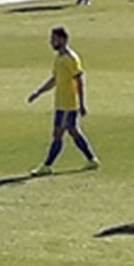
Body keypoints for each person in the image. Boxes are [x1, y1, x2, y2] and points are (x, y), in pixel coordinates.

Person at [25, 26, 99, 175]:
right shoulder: (59, 58)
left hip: (68, 104)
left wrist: (82, 104)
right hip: (61, 103)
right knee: (73, 131)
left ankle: (47, 165)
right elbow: (55, 79)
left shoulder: (70, 59)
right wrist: (38, 92)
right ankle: (91, 159)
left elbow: (79, 81)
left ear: (63, 40)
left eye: (54, 39)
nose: (51, 42)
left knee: (58, 133)